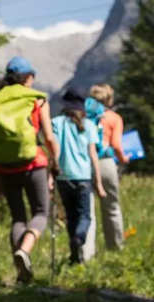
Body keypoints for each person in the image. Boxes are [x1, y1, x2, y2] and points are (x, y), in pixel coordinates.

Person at [0, 56, 60, 283]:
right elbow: (49, 138)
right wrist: (55, 162)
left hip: (4, 167)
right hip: (33, 163)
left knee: (18, 217)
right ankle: (25, 250)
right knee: (42, 212)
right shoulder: (37, 100)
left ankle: (21, 271)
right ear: (27, 77)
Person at [52, 90, 106, 264]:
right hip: (83, 176)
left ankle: (74, 254)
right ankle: (79, 239)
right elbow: (93, 156)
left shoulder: (57, 123)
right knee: (85, 216)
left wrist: (51, 174)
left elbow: (55, 150)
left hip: (63, 177)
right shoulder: (89, 125)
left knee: (71, 215)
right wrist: (98, 183)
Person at [83, 83, 129, 254]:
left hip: (86, 163)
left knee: (88, 210)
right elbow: (116, 144)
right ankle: (116, 247)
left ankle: (87, 252)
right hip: (106, 163)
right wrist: (123, 158)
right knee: (112, 207)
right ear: (109, 99)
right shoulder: (114, 118)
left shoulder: (84, 117)